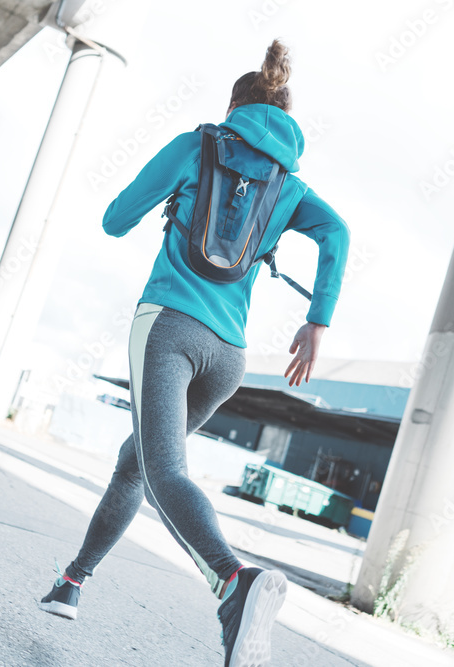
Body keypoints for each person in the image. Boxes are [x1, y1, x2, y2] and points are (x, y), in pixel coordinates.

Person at [39, 40, 350, 666]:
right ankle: (72, 581)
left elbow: (114, 219)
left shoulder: (197, 145)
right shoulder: (289, 185)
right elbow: (337, 233)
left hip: (168, 329)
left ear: (234, 107)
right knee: (139, 462)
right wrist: (316, 322)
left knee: (163, 473)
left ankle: (234, 582)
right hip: (228, 357)